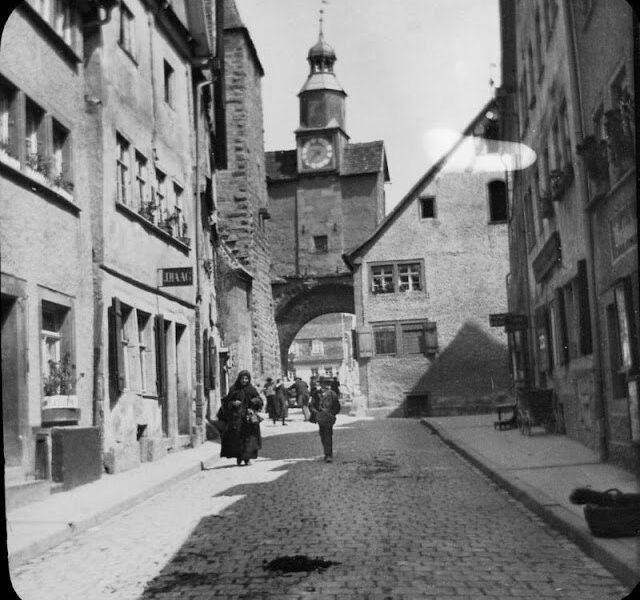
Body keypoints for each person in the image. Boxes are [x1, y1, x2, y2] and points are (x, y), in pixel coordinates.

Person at [218, 370, 263, 465]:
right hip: (236, 418)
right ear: (239, 379)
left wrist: (254, 401)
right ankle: (239, 457)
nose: (244, 380)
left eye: (246, 378)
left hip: (248, 418)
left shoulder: (251, 389)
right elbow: (226, 402)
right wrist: (233, 403)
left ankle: (247, 458)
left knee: (249, 438)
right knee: (237, 439)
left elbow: (259, 401)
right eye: (242, 378)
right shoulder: (234, 389)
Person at [310, 379, 341, 462]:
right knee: (322, 435)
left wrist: (332, 414)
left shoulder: (332, 394)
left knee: (328, 434)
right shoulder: (316, 394)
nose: (326, 385)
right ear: (321, 384)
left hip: (329, 417)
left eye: (328, 384)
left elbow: (337, 406)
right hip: (320, 417)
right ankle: (326, 452)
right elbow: (312, 405)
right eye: (324, 383)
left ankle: (328, 455)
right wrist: (316, 413)